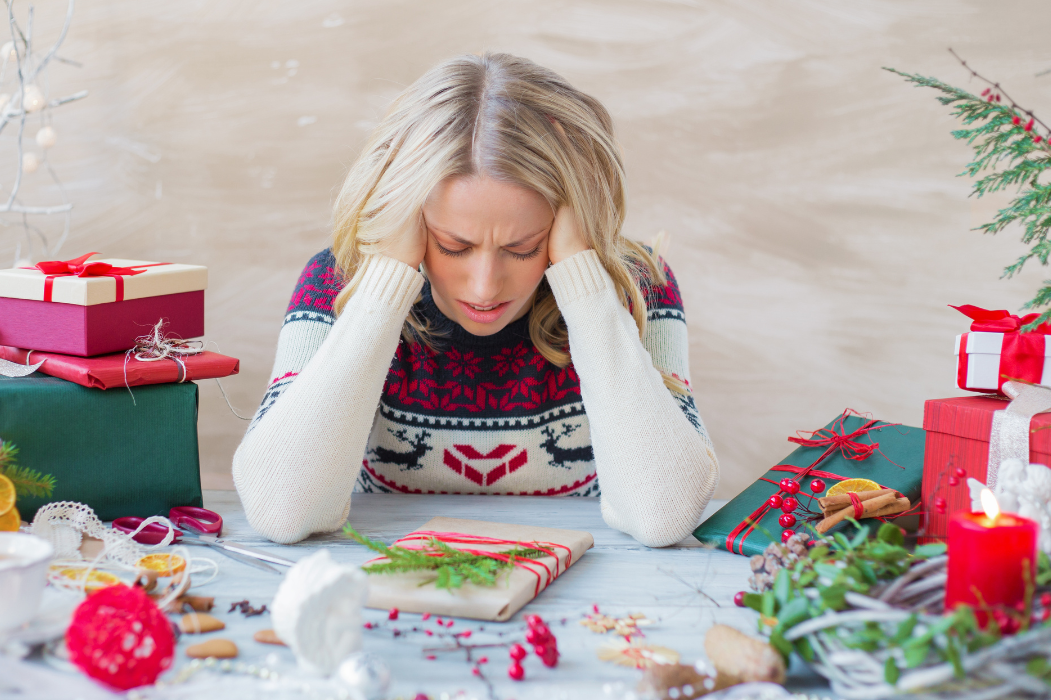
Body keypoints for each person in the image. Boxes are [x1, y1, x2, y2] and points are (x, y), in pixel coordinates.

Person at [233, 53, 717, 547]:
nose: (485, 287)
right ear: (412, 219)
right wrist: (385, 281)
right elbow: (281, 508)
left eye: (523, 248)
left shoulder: (639, 285)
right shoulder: (338, 283)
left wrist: (582, 277)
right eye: (453, 246)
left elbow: (664, 513)